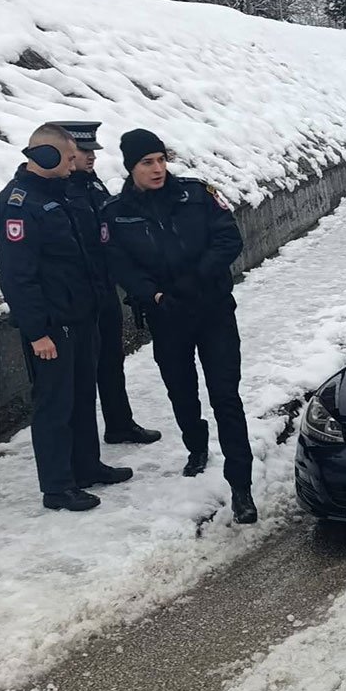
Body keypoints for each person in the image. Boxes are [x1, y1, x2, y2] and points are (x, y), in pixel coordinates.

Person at [103, 129, 257, 524]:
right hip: (167, 316)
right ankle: (196, 445)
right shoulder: (116, 212)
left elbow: (228, 240)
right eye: (147, 163)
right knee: (181, 390)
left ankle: (241, 486)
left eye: (160, 159)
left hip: (213, 310)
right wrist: (153, 296)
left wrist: (193, 281)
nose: (157, 169)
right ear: (131, 167)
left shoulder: (197, 194)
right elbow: (120, 264)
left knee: (226, 396)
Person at [0, 123, 133, 511]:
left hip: (80, 315)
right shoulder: (19, 205)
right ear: (47, 156)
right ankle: (57, 486)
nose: (77, 165)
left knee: (80, 394)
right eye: (70, 157)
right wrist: (38, 331)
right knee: (55, 404)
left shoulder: (59, 194)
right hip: (52, 326)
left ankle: (86, 466)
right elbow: (16, 275)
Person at [57, 120, 161, 446]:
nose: (92, 157)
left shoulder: (91, 185)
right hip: (78, 294)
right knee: (82, 372)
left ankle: (119, 423)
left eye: (93, 151)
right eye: (84, 151)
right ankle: (79, 449)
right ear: (66, 152)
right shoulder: (61, 191)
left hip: (104, 288)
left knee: (112, 360)